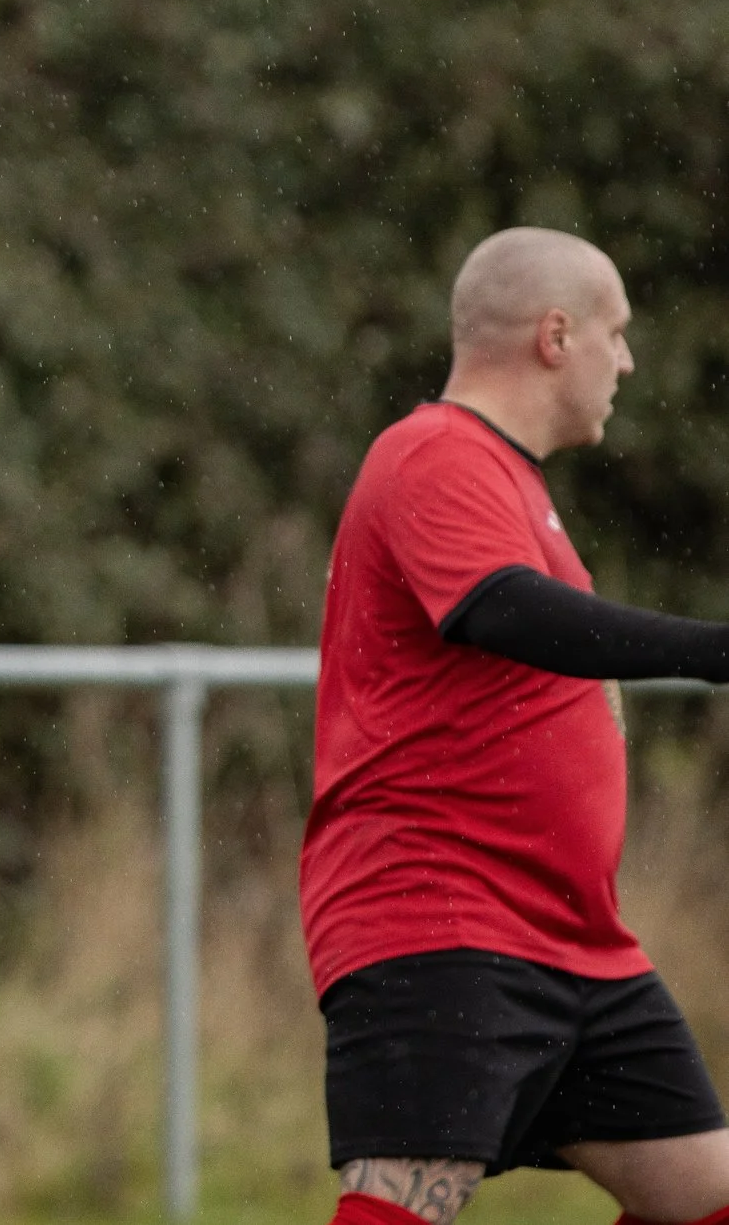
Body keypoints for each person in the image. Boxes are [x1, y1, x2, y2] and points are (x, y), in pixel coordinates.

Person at [302, 226, 729, 1225]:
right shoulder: (432, 452)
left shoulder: (510, 480)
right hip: (439, 914)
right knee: (406, 1200)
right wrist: (712, 650)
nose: (624, 360)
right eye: (614, 333)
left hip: (575, 943)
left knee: (701, 1196)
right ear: (554, 335)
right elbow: (500, 608)